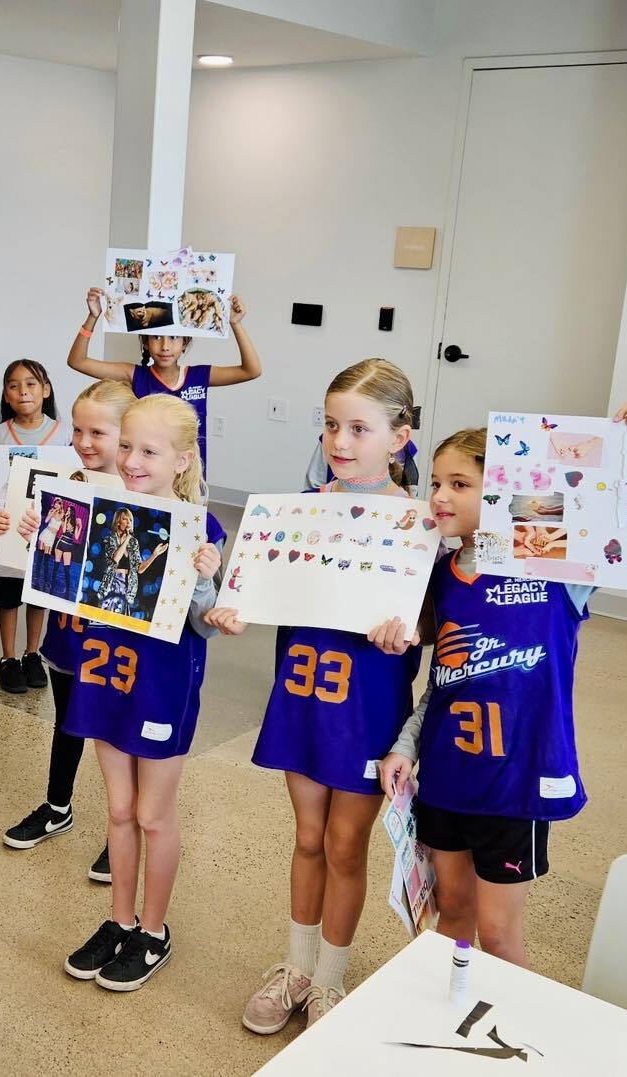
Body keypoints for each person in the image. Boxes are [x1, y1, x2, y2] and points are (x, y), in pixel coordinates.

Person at [373, 388, 627, 968]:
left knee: (497, 934)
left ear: (497, 493)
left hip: (515, 786)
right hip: (446, 776)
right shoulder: (438, 575)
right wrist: (405, 745)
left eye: (460, 484)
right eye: (436, 482)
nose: (440, 496)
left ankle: (501, 1038)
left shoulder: (556, 568)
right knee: (450, 918)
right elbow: (446, 681)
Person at [206, 358, 421, 1032]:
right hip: (302, 698)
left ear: (400, 436)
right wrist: (231, 607)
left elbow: (433, 629)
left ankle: (329, 977)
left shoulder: (417, 526)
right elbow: (256, 594)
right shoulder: (296, 513)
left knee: (345, 844)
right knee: (306, 836)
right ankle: (296, 967)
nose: (340, 440)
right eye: (331, 425)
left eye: (359, 427)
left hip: (366, 710)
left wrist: (406, 635)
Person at [61, 394, 225, 991]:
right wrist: (36, 533)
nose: (131, 460)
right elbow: (61, 575)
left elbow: (208, 622)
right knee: (120, 810)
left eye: (148, 451)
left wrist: (206, 580)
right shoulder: (99, 507)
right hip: (105, 675)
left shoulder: (200, 527)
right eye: (126, 445)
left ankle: (153, 931)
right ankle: (119, 919)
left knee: (154, 815)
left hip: (162, 685)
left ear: (181, 460)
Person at [1, 379, 135, 880]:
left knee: (117, 738)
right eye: (78, 429)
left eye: (98, 432)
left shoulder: (141, 498)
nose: (83, 442)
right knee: (68, 722)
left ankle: (121, 832)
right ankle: (58, 807)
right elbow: (43, 558)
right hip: (66, 632)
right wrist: (22, 535)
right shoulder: (64, 483)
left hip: (116, 643)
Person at [67, 286, 262, 475]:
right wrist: (93, 316)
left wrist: (236, 323)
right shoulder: (135, 374)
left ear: (184, 343)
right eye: (156, 337)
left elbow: (251, 370)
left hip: (189, 471)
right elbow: (77, 361)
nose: (165, 346)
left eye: (174, 337)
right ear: (145, 343)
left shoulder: (199, 376)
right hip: (145, 472)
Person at [0, 359, 72, 693]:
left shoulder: (64, 435)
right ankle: (8, 658)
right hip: (8, 530)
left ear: (46, 390)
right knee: (8, 596)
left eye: (31, 384)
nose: (23, 391)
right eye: (14, 385)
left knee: (38, 594)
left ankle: (33, 653)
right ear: (5, 393)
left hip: (46, 532)